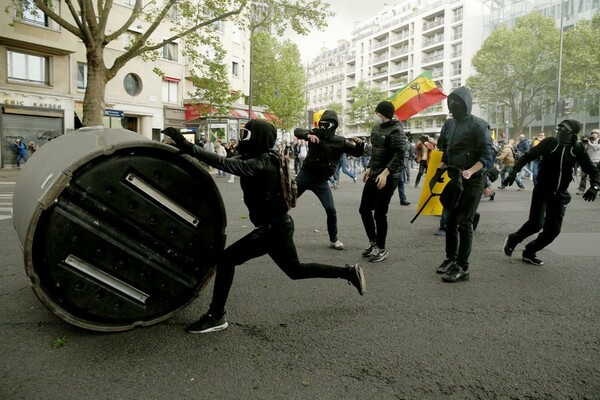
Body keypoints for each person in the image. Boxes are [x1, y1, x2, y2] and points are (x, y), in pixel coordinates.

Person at [162, 120, 366, 334]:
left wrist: (187, 145)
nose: (243, 137)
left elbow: (226, 165)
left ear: (256, 137)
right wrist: (186, 150)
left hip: (273, 229)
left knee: (226, 259)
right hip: (278, 226)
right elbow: (225, 159)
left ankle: (216, 315)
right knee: (295, 270)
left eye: (246, 133)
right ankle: (349, 273)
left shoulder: (261, 164)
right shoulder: (262, 157)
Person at [502, 119, 600, 266]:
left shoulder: (577, 148)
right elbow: (528, 156)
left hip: (560, 194)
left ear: (572, 133)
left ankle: (530, 251)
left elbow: (592, 169)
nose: (560, 132)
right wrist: (513, 172)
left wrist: (595, 186)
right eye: (559, 128)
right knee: (536, 224)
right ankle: (514, 239)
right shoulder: (549, 143)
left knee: (553, 231)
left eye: (564, 130)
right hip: (542, 190)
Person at [434, 86, 494, 282]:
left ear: (467, 103)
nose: (453, 105)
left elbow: (486, 156)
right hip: (454, 179)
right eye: (450, 101)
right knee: (450, 221)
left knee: (464, 222)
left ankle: (463, 267)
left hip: (473, 181)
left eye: (457, 102)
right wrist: (439, 170)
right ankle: (451, 259)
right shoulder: (449, 125)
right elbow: (446, 152)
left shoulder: (479, 125)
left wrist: (470, 171)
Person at [294, 110, 365, 250]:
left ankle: (334, 239)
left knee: (331, 209)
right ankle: (270, 229)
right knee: (286, 201)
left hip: (321, 181)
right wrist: (308, 135)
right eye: (322, 124)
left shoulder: (340, 141)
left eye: (327, 124)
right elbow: (297, 131)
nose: (323, 127)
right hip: (305, 175)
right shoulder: (315, 133)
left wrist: (360, 144)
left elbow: (357, 153)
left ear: (333, 126)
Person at [359, 101, 405, 263]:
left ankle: (381, 248)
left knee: (379, 212)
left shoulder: (397, 130)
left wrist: (386, 173)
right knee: (364, 209)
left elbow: (399, 155)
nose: (375, 115)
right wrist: (369, 168)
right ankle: (373, 243)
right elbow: (375, 152)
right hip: (375, 173)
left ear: (383, 114)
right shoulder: (376, 129)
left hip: (389, 176)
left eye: (377, 113)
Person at [576, 129, 600, 195]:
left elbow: (597, 147)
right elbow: (584, 149)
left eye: (595, 133)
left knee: (594, 176)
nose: (594, 134)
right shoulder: (589, 141)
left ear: (598, 135)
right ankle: (581, 189)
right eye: (592, 133)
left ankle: (596, 187)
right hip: (588, 160)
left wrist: (590, 144)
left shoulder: (598, 142)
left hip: (596, 161)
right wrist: (584, 143)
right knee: (583, 175)